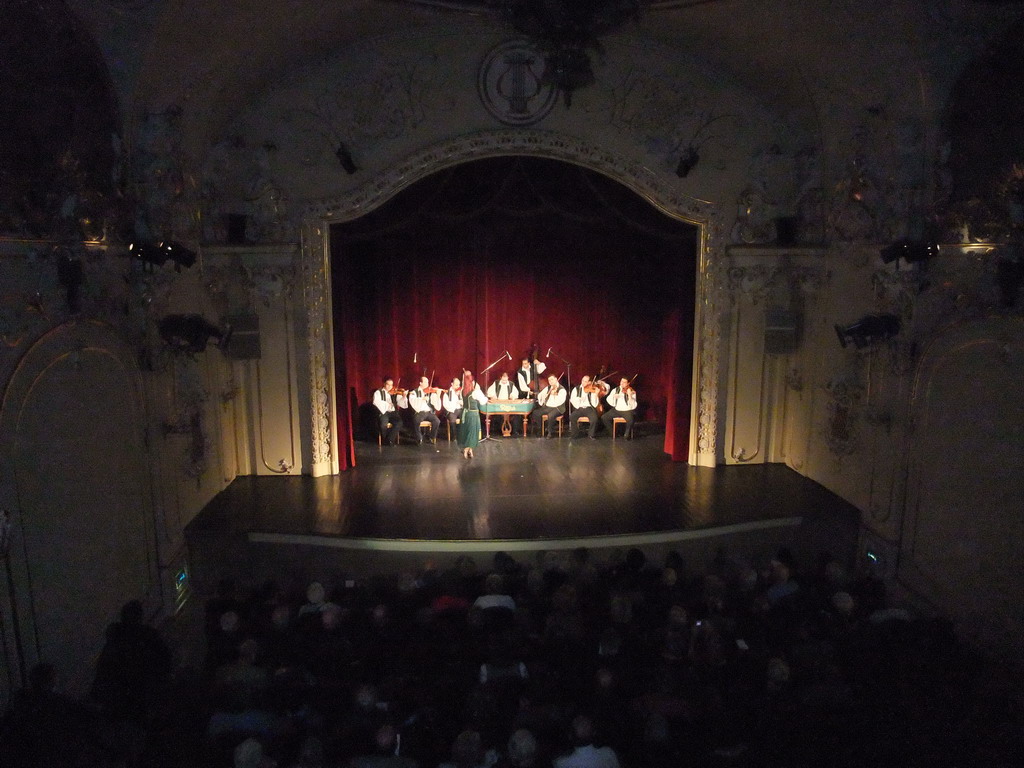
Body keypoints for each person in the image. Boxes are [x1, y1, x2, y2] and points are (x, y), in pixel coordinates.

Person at [457, 370, 487, 458]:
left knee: (467, 431)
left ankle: (470, 450)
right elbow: (483, 401)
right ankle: (467, 449)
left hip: (465, 414)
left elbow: (463, 402)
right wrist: (484, 395)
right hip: (473, 415)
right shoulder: (475, 392)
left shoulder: (462, 391)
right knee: (472, 433)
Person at [407, 376, 441, 444]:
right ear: (420, 383)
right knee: (416, 420)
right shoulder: (414, 392)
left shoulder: (430, 392)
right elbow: (412, 401)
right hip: (420, 412)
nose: (427, 384)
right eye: (425, 382)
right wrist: (422, 399)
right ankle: (419, 438)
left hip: (428, 412)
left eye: (428, 382)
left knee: (437, 421)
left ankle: (431, 437)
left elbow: (437, 406)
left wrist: (438, 396)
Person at [373, 378, 405, 445]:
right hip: (384, 412)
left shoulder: (395, 393)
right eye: (388, 385)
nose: (390, 387)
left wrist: (404, 397)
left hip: (393, 412)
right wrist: (387, 404)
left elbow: (400, 402)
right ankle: (385, 439)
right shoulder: (378, 392)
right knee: (383, 424)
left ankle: (390, 439)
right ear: (384, 384)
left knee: (399, 422)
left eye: (391, 385)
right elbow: (376, 402)